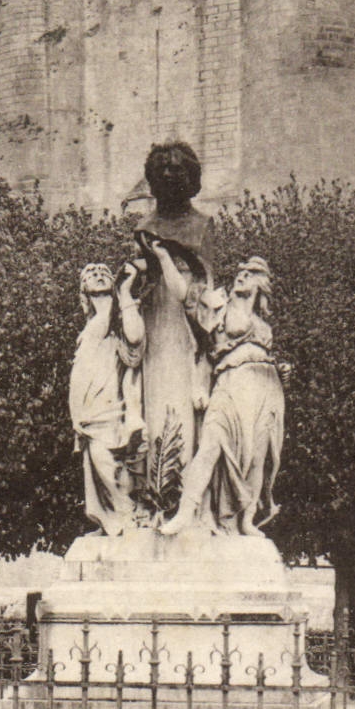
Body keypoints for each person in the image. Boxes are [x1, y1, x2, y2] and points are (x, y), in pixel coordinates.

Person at [159, 256, 284, 537]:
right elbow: (185, 300)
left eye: (250, 274)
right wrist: (163, 256)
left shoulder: (261, 322)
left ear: (261, 283)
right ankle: (184, 512)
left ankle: (246, 520)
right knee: (212, 443)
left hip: (266, 387)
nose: (241, 276)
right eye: (241, 272)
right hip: (231, 382)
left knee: (257, 457)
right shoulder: (218, 306)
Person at [134, 143, 214, 475]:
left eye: (177, 168)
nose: (168, 174)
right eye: (161, 168)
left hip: (187, 323)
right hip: (153, 321)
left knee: (185, 400)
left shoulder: (202, 223)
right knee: (153, 399)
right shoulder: (143, 226)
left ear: (191, 176)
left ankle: (183, 482)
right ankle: (154, 486)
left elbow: (206, 285)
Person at [69, 261, 145, 536]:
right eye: (91, 273)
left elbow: (135, 338)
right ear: (83, 290)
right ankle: (116, 515)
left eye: (104, 272)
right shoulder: (94, 323)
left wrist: (124, 291)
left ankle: (124, 513)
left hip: (111, 399)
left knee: (109, 458)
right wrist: (75, 410)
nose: (98, 274)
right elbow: (79, 371)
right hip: (90, 400)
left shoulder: (113, 319)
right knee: (100, 460)